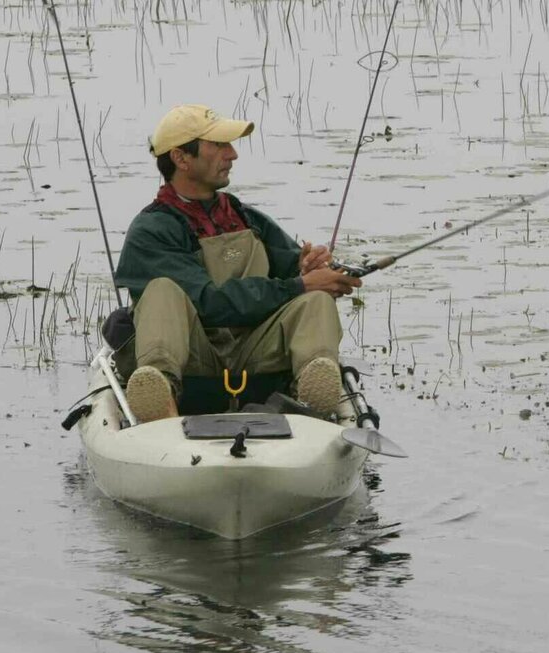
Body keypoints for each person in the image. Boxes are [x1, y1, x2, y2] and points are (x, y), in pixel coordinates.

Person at [113, 104, 362, 423]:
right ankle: (159, 394)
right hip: (193, 360)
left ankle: (312, 398)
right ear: (181, 158)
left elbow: (290, 272)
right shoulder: (151, 231)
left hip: (256, 353)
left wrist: (309, 270)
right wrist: (298, 285)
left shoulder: (245, 218)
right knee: (161, 291)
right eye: (219, 145)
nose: (232, 155)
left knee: (315, 302)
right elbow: (209, 302)